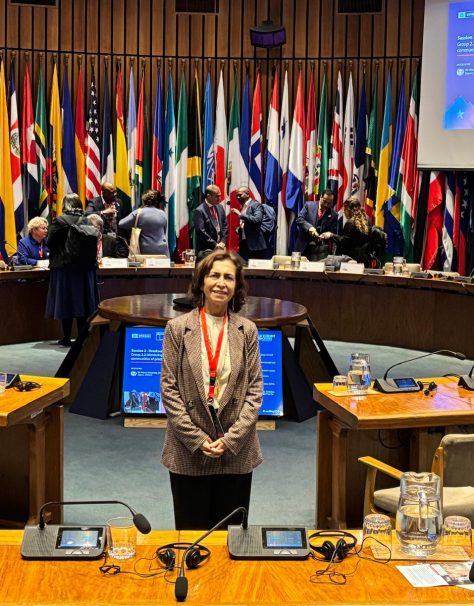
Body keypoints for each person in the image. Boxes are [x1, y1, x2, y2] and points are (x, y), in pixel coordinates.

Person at [160, 250, 263, 530]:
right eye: (214, 275)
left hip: (235, 450)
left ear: (236, 286)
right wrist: (196, 438)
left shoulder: (247, 330)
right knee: (191, 537)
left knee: (231, 538)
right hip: (189, 451)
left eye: (228, 277)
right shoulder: (177, 328)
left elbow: (255, 391)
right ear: (201, 281)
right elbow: (169, 388)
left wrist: (230, 440)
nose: (221, 283)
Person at [46, 193, 100, 347]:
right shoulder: (86, 220)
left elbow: (50, 243)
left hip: (65, 268)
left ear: (65, 205)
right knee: (83, 303)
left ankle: (66, 337)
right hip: (85, 269)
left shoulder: (60, 221)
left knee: (66, 303)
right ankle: (81, 337)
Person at [320, 197, 371, 265]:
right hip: (364, 260)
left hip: (351, 261)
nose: (343, 212)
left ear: (349, 210)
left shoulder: (350, 223)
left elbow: (345, 242)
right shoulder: (367, 222)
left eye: (344, 209)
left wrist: (331, 235)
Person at [118, 189, 169, 256]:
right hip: (163, 250)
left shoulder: (138, 213)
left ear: (143, 201)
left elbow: (121, 224)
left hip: (145, 251)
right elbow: (164, 231)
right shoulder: (163, 214)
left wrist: (135, 224)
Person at [294, 189, 338, 261]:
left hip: (320, 252)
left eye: (329, 203)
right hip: (303, 247)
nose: (326, 205)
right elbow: (299, 219)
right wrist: (309, 228)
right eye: (324, 201)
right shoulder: (308, 205)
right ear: (321, 197)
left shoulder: (334, 215)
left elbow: (333, 232)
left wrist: (328, 234)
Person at [231, 186, 267, 261]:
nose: (238, 197)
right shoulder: (243, 206)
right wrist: (240, 228)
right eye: (237, 195)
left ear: (247, 194)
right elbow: (246, 222)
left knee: (254, 267)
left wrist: (240, 214)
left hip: (255, 245)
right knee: (242, 265)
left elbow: (257, 219)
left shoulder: (255, 205)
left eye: (240, 195)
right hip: (244, 243)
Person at [193, 185, 228, 261]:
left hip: (220, 249)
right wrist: (215, 245)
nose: (219, 198)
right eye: (217, 196)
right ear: (209, 196)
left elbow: (225, 226)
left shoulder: (220, 207)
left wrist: (223, 242)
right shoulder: (199, 210)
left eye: (220, 196)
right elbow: (201, 231)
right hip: (206, 251)